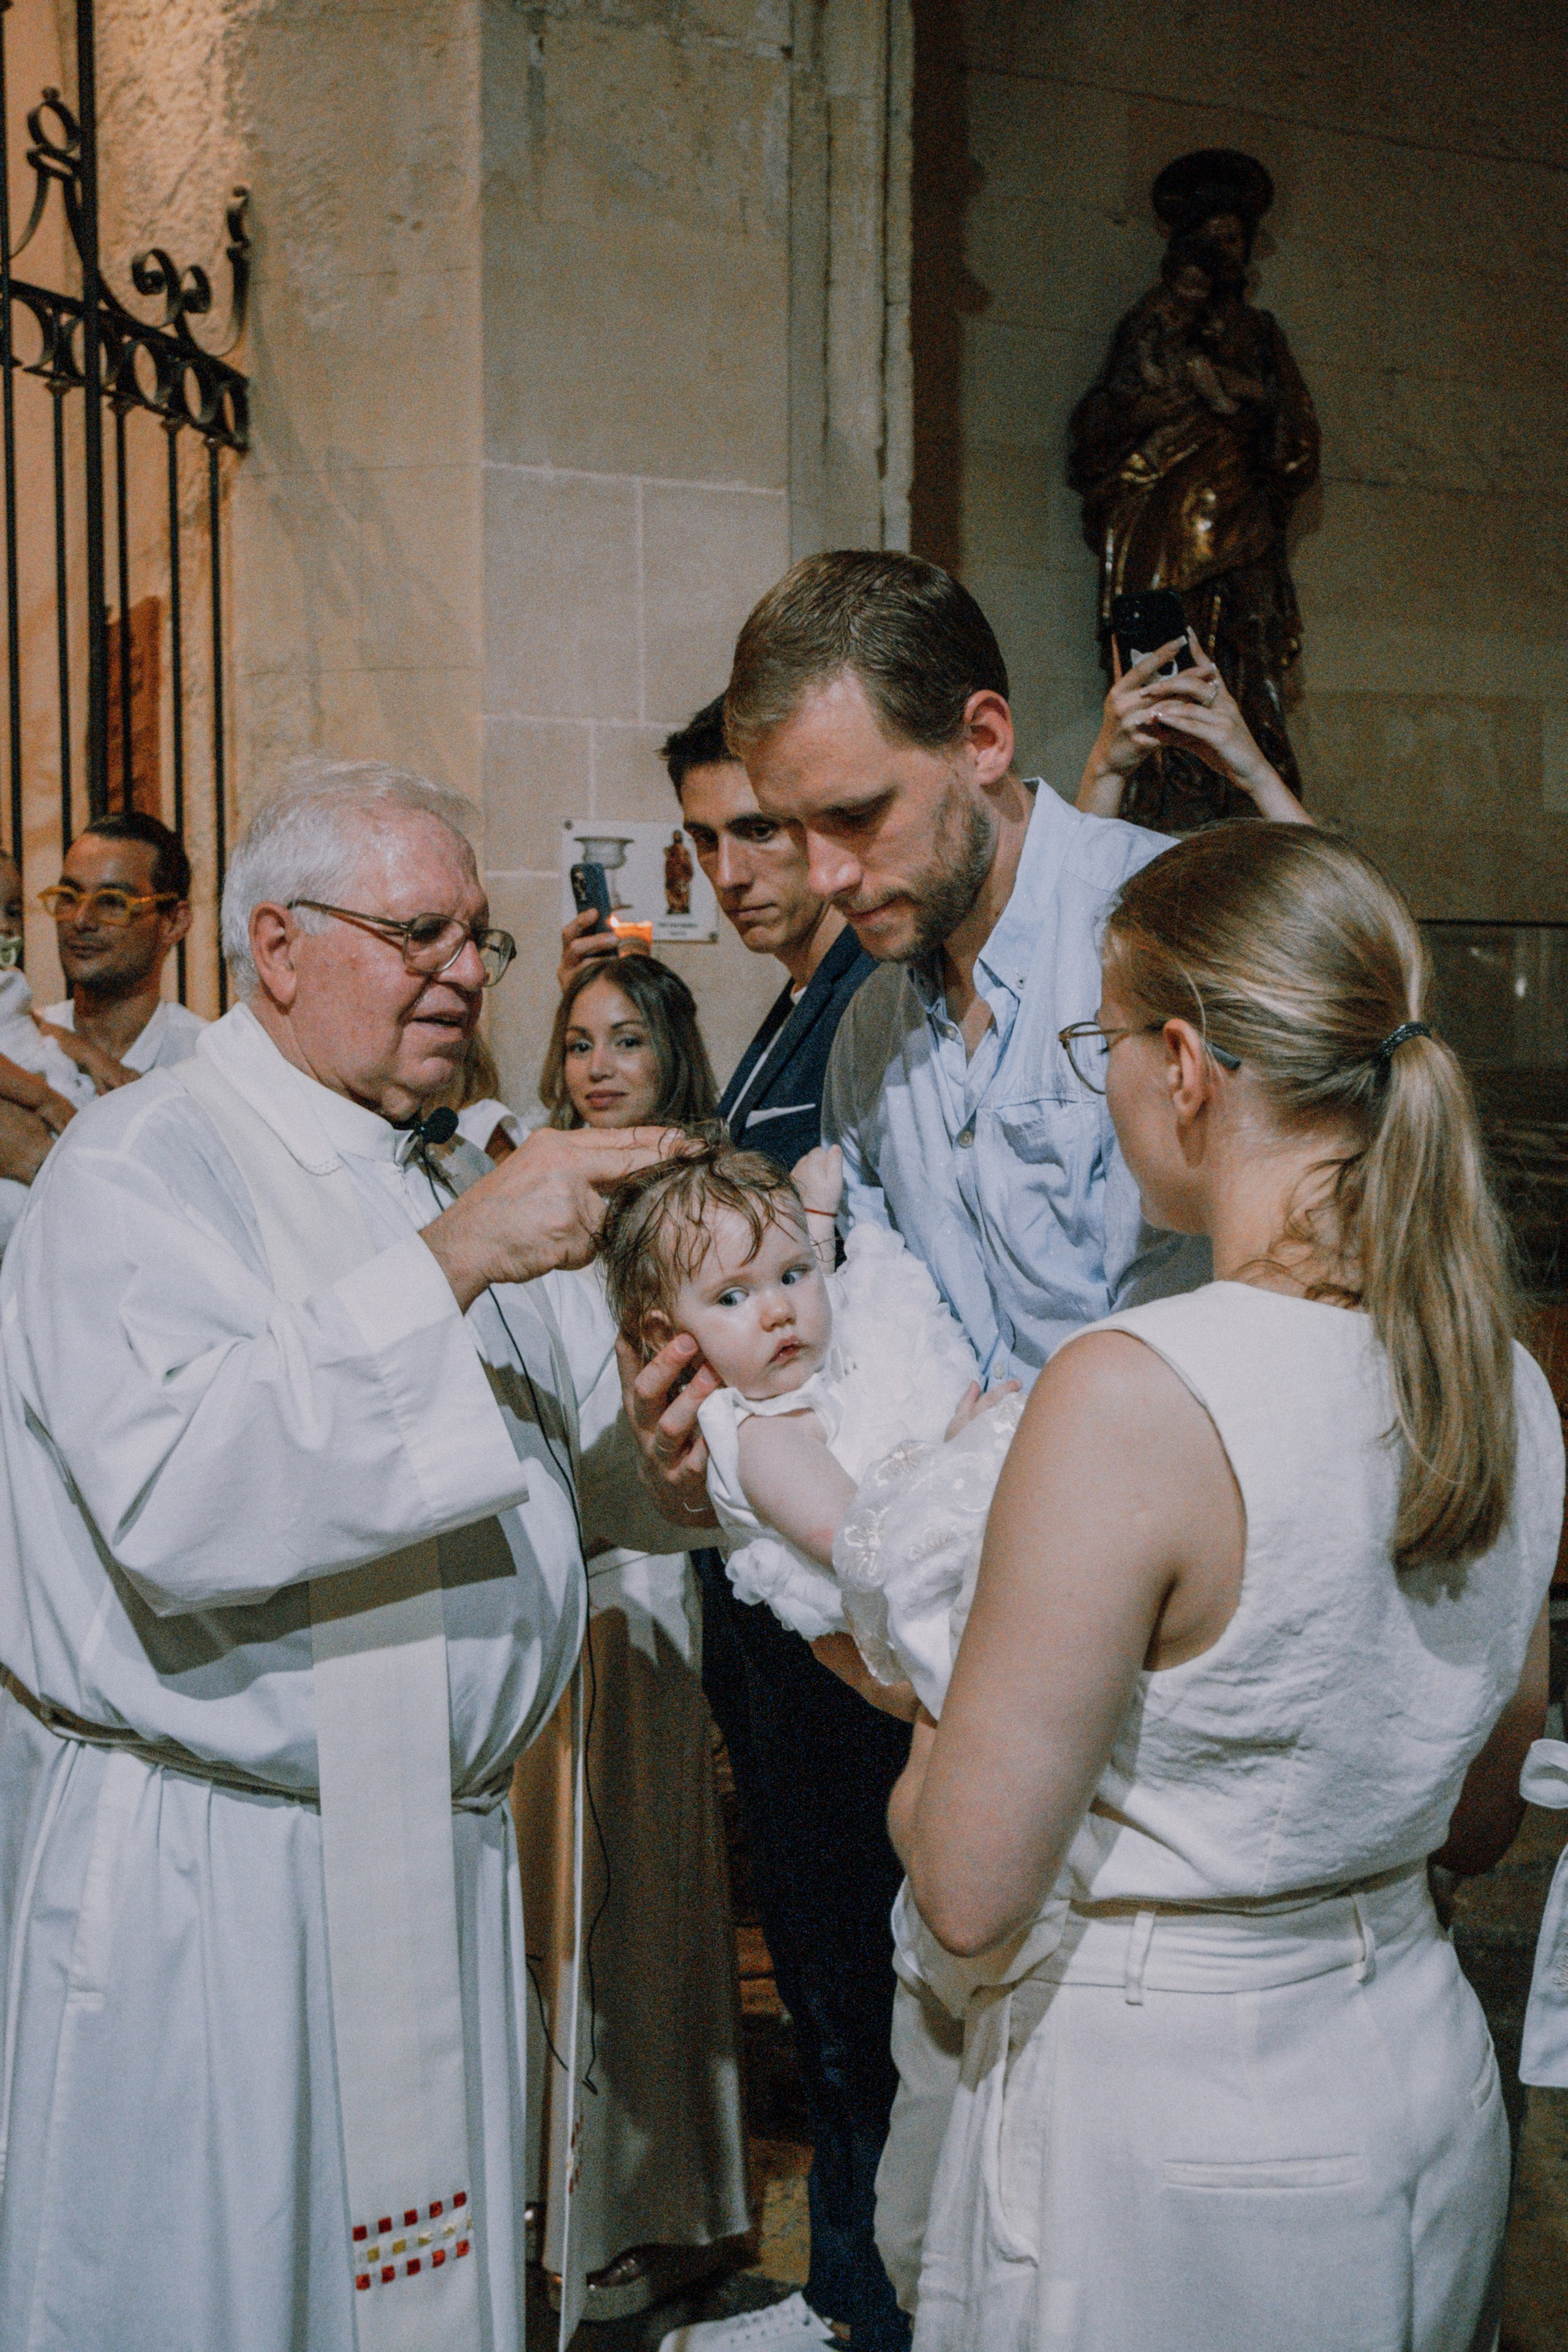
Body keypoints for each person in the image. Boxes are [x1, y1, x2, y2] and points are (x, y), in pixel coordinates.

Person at [0, 760, 682, 2352]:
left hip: (425, 1870)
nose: (462, 970)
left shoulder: (435, 1162)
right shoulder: (143, 1172)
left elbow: (568, 1466)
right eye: (419, 932)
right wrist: (450, 1266)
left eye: (479, 940)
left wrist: (688, 1415)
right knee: (221, 2300)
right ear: (277, 944)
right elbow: (182, 1497)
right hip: (224, 1892)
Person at [895, 824, 1564, 2351]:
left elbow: (969, 1884)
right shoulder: (1499, 1381)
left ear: (1182, 1063)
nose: (1107, 1080)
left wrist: (930, 1670)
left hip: (1171, 2114)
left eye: (1103, 1040)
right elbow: (1475, 1810)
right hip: (1409, 2050)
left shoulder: (1134, 1389)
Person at [571, 700, 916, 2352]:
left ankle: (870, 2296)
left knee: (859, 1973)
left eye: (757, 831)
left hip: (844, 1557)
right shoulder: (784, 1012)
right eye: (707, 839)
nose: (733, 870)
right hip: (769, 1553)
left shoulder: (862, 1001)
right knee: (826, 1954)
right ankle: (847, 2282)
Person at [513, 951, 750, 2326]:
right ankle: (553, 2195)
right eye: (579, 1041)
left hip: (646, 1569)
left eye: (627, 1043)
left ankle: (656, 2202)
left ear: (670, 1063)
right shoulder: (521, 1185)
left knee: (644, 1897)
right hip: (543, 1568)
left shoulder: (687, 1209)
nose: (599, 1066)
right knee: (550, 1910)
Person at [600, 1137, 990, 1703]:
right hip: (928, 1634)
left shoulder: (786, 1370)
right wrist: (959, 1457)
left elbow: (825, 1289)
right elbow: (867, 1549)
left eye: (791, 1274)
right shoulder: (765, 1441)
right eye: (732, 1297)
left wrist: (815, 1217)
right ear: (667, 1338)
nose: (780, 1310)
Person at [37, 808, 205, 1079]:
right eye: (69, 896)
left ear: (173, 922)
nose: (81, 920)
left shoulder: (207, 1061)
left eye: (113, 901)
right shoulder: (19, 1043)